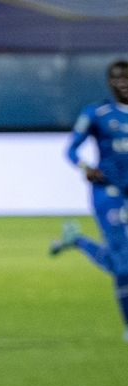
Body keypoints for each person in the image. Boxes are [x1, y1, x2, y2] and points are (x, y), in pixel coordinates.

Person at [49, 59, 128, 341]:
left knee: (121, 261)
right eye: (118, 79)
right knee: (123, 264)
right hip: (109, 193)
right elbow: (71, 150)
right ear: (110, 82)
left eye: (127, 78)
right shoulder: (98, 113)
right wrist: (87, 169)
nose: (123, 83)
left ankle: (77, 240)